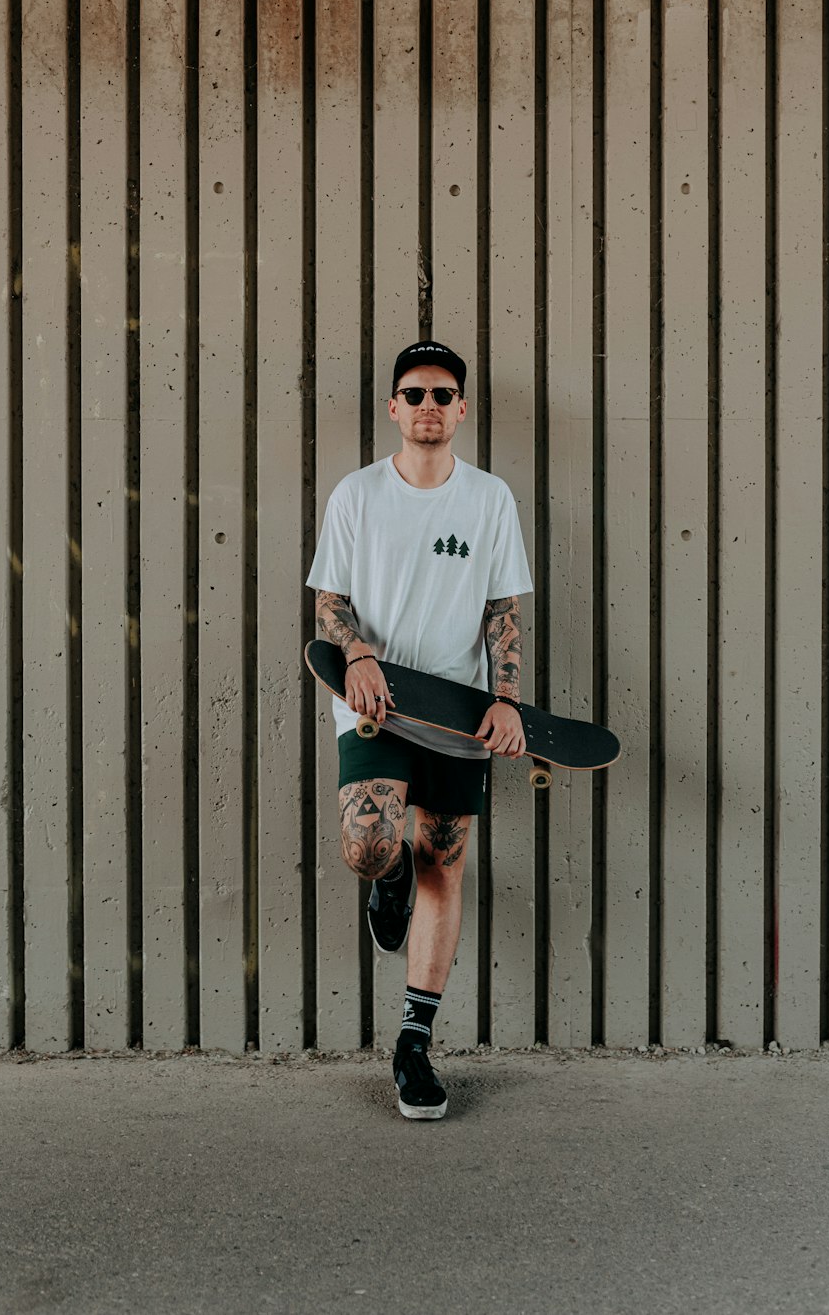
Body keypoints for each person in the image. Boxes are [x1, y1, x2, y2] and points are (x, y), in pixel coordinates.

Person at [306, 340, 534, 1119]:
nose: (429, 404)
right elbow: (328, 601)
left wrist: (506, 699)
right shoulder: (357, 494)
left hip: (458, 712)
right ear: (395, 407)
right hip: (374, 703)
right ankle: (386, 879)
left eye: (444, 393)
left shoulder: (489, 499)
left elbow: (503, 612)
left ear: (461, 408)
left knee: (445, 864)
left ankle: (413, 1043)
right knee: (370, 848)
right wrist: (358, 652)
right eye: (415, 392)